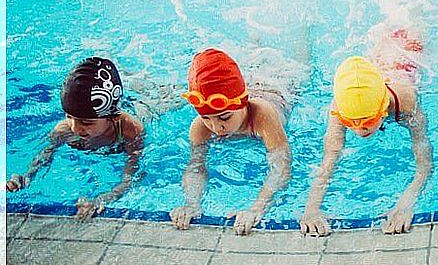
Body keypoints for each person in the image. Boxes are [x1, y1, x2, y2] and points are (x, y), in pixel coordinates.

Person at [300, 27, 432, 236]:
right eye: (349, 122)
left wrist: (407, 203)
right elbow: (328, 161)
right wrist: (311, 208)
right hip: (378, 61)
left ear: (382, 109)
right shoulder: (340, 106)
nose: (359, 130)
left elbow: (424, 162)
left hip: (407, 51)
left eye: (368, 121)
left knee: (413, 25)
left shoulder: (405, 102)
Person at [169, 48, 292, 235]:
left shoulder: (262, 116)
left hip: (279, 87)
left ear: (243, 103)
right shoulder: (199, 127)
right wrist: (192, 203)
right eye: (206, 118)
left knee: (298, 64)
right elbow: (195, 167)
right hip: (247, 86)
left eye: (224, 118)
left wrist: (257, 207)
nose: (216, 127)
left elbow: (281, 166)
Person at [6, 57, 145, 222]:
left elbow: (131, 177)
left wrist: (103, 199)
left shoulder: (131, 130)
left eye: (86, 122)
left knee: (166, 101)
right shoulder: (64, 130)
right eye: (69, 117)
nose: (76, 128)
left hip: (139, 107)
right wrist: (27, 176)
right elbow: (43, 156)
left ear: (112, 118)